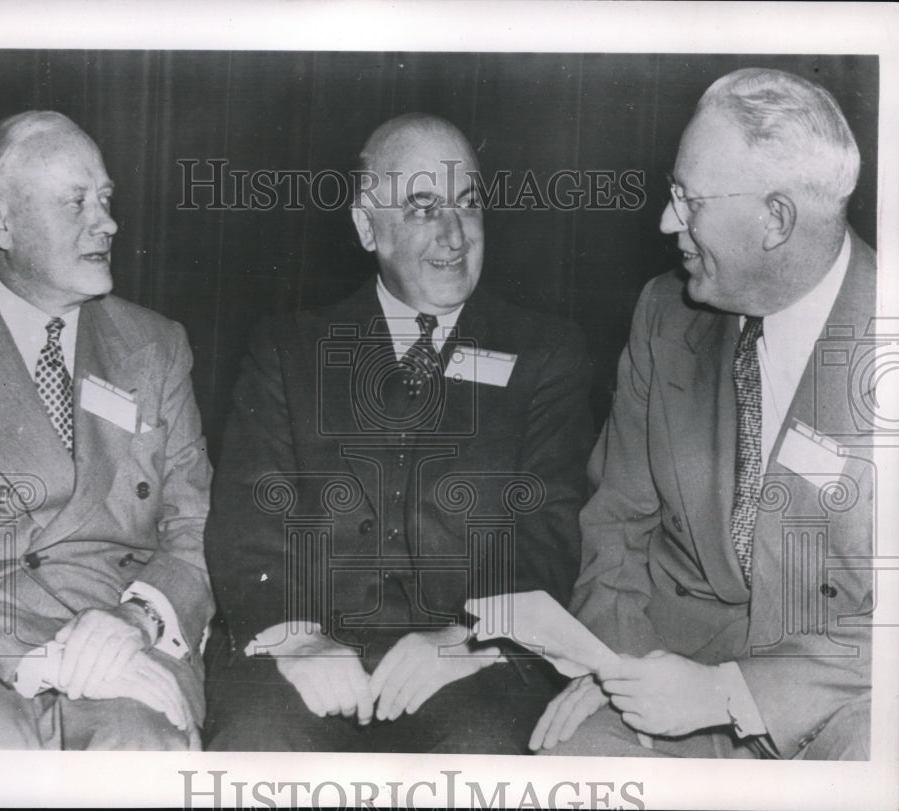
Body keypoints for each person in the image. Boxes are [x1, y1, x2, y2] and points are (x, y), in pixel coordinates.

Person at [203, 113, 593, 753]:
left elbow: (548, 533)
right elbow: (249, 523)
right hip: (308, 651)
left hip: (472, 662)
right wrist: (297, 637)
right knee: (257, 742)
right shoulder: (288, 349)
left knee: (485, 754)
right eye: (422, 207)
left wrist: (467, 638)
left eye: (468, 204)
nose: (454, 234)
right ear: (366, 226)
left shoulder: (546, 353)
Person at [533, 68, 875, 760]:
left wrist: (727, 693)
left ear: (776, 219)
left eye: (689, 201)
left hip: (843, 695)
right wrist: (618, 667)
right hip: (667, 659)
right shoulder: (666, 313)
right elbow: (617, 525)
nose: (667, 222)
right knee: (569, 764)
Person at [0, 111, 214, 750]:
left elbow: (194, 526)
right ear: (1, 221)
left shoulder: (156, 345)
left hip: (124, 637)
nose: (107, 223)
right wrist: (50, 655)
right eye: (76, 202)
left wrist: (135, 619)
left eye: (105, 199)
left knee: (140, 743)